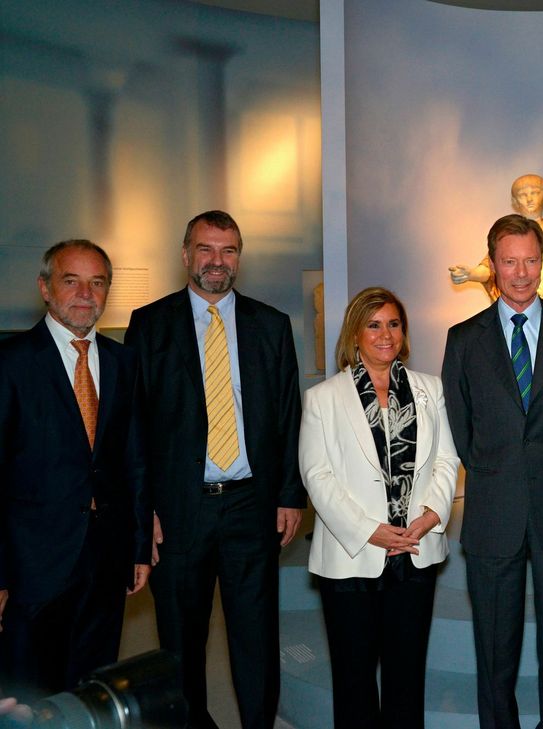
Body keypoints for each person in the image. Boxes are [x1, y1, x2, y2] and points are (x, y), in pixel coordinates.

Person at [125, 211, 306, 729]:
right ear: (186, 255)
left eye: (228, 251)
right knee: (181, 639)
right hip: (179, 511)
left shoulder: (271, 325)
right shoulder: (150, 325)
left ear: (239, 259)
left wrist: (289, 494)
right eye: (206, 249)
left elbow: (288, 415)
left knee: (256, 635)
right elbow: (133, 427)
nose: (216, 261)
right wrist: (143, 512)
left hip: (251, 505)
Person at [441, 213, 543, 729]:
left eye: (531, 261)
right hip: (493, 513)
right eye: (510, 262)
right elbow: (462, 429)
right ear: (492, 265)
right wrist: (499, 474)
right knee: (494, 650)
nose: (522, 273)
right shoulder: (463, 340)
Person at [299, 287, 458, 729]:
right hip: (351, 557)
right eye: (373, 325)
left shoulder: (430, 389)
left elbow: (447, 460)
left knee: (406, 678)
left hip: (415, 551)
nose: (385, 334)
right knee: (354, 682)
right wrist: (369, 529)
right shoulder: (323, 398)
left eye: (393, 324)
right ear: (355, 333)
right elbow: (316, 475)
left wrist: (431, 516)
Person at [0, 240, 150, 703]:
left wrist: (139, 546)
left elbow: (135, 460)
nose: (86, 294)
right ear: (45, 288)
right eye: (72, 281)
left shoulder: (124, 362)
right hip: (31, 566)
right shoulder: (10, 363)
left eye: (97, 282)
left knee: (94, 689)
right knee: (31, 696)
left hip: (105, 559)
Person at [448, 174, 543, 318]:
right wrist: (471, 274)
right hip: (517, 309)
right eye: (523, 195)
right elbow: (489, 269)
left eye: (535, 193)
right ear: (514, 201)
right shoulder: (505, 236)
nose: (529, 199)